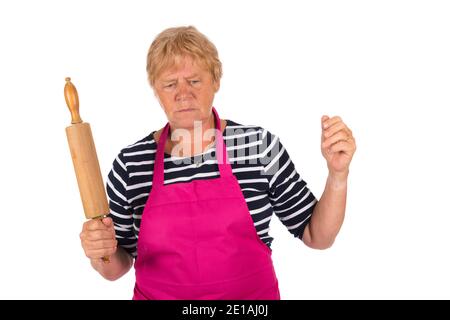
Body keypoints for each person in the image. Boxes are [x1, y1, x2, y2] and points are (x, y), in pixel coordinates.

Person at [79, 26, 357, 300]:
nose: (183, 93)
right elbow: (117, 267)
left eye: (195, 81)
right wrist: (99, 252)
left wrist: (338, 175)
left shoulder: (258, 147)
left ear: (216, 80)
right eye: (169, 83)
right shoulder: (131, 165)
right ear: (156, 91)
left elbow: (317, 236)